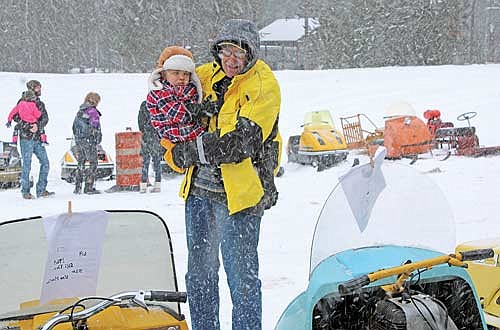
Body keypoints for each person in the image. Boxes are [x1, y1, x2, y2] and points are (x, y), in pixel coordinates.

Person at [168, 19, 282, 330]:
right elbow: (167, 98)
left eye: (238, 53)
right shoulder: (205, 75)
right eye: (225, 52)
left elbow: (241, 143)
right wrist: (165, 130)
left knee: (242, 277)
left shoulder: (263, 85)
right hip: (200, 195)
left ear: (251, 54)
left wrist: (192, 150)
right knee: (200, 275)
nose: (230, 60)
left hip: (240, 200)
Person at [146, 46, 206, 173]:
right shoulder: (159, 92)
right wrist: (199, 110)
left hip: (193, 137)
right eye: (176, 73)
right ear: (164, 73)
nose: (181, 78)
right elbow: (177, 114)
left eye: (186, 74)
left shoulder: (191, 90)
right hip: (173, 136)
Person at [15, 80, 53, 199]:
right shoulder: (21, 103)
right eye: (37, 88)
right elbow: (16, 118)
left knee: (45, 163)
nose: (40, 89)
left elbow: (45, 119)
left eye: (40, 87)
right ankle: (25, 192)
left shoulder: (40, 104)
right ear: (31, 88)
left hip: (38, 139)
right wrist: (28, 126)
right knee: (27, 164)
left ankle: (41, 189)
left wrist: (38, 126)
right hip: (26, 139)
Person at [72, 92, 103, 195]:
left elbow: (74, 127)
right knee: (93, 163)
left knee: (81, 163)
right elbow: (95, 127)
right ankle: (89, 186)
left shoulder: (80, 111)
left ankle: (78, 186)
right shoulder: (92, 112)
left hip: (79, 140)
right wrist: (97, 138)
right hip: (89, 141)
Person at [137, 100, 163, 193]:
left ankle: (143, 186)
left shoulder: (144, 104)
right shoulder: (159, 103)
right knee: (157, 161)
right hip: (156, 136)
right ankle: (158, 184)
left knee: (145, 161)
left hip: (146, 136)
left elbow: (140, 121)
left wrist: (144, 130)